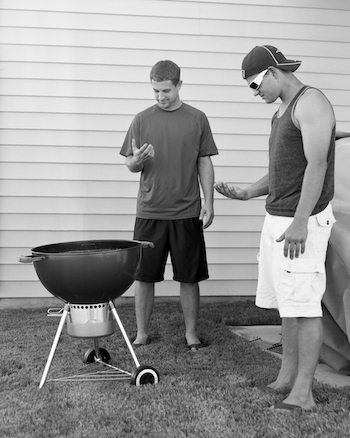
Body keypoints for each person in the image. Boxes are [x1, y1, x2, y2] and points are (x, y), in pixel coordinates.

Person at [215, 45, 336, 411]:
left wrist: (301, 221)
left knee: (304, 304)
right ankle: (286, 376)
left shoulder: (310, 102)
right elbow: (285, 168)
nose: (255, 93)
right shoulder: (281, 112)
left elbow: (316, 165)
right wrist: (249, 192)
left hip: (303, 221)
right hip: (278, 218)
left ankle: (303, 393)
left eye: (255, 84)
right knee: (287, 303)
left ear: (272, 71)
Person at [120, 60, 218, 351]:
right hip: (149, 212)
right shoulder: (141, 120)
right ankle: (142, 334)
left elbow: (204, 160)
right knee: (144, 276)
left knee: (189, 277)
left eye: (166, 90)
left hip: (187, 211)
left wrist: (209, 201)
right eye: (155, 91)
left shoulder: (197, 119)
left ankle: (191, 334)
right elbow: (130, 163)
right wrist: (136, 161)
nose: (160, 96)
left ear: (179, 85)